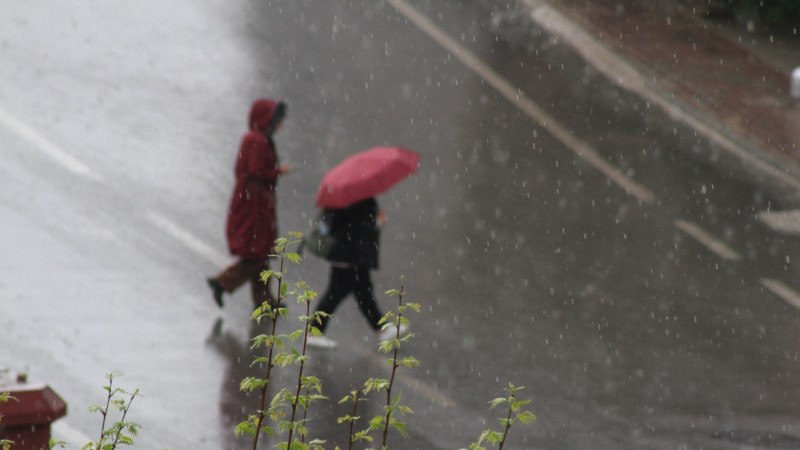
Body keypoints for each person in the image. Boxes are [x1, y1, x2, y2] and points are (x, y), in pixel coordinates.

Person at [207, 99, 292, 309]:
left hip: (256, 203)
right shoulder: (258, 141)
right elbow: (255, 171)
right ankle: (222, 282)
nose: (280, 126)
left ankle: (264, 300)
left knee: (261, 254)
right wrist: (278, 172)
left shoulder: (257, 138)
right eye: (278, 121)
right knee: (256, 255)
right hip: (254, 206)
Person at [306, 197, 406, 349]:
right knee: (336, 294)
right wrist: (378, 222)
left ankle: (382, 328)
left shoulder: (349, 198)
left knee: (363, 293)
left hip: (350, 256)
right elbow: (360, 228)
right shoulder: (359, 199)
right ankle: (314, 332)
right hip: (350, 257)